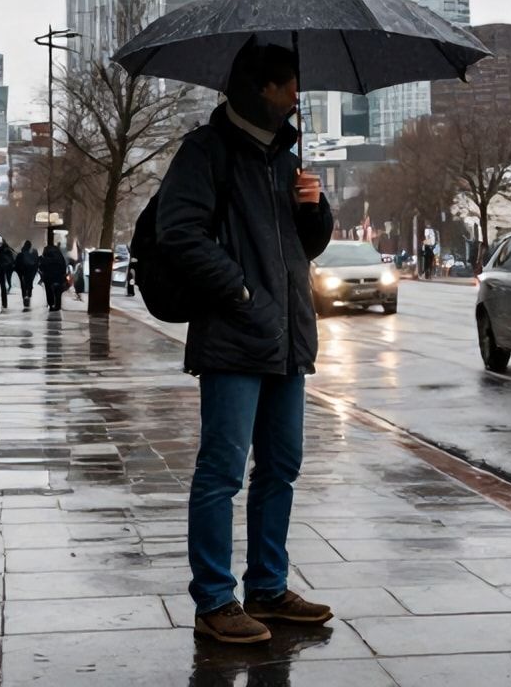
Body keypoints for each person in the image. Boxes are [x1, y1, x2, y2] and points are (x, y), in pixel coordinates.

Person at [154, 41, 334, 645]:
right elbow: (176, 232)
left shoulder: (286, 159)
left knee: (281, 467)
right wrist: (238, 292)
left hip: (287, 338)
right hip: (233, 337)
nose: (297, 98)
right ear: (263, 88)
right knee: (222, 471)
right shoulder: (206, 152)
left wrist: (315, 209)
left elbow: (303, 248)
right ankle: (213, 600)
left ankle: (268, 588)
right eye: (291, 87)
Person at [38, 242, 69, 312]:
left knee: (48, 290)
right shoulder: (60, 256)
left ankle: (51, 304)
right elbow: (63, 266)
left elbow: (41, 266)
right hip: (59, 277)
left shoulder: (45, 256)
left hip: (48, 277)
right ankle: (58, 305)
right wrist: (63, 274)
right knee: (58, 291)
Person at [15, 241, 39, 310]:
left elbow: (17, 264)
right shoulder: (32, 254)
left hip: (22, 271)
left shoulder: (21, 253)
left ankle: (25, 296)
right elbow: (35, 263)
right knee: (29, 283)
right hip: (30, 271)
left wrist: (18, 271)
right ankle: (28, 295)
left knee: (23, 284)